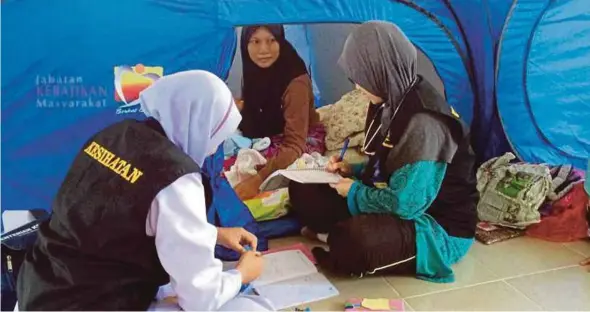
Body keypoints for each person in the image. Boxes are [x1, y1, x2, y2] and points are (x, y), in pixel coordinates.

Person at [15, 70, 274, 311]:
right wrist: (241, 274)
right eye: (216, 138)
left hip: (39, 287)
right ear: (199, 124)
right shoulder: (176, 177)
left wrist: (212, 234)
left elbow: (115, 223)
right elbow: (200, 297)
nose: (213, 151)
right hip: (91, 302)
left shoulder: (116, 135)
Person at [288, 21, 479, 283]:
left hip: (434, 225)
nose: (357, 87)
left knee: (354, 242)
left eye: (362, 77)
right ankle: (340, 232)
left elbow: (406, 205)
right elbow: (389, 165)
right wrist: (351, 170)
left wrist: (354, 191)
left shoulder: (425, 123)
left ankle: (340, 236)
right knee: (302, 189)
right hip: (394, 200)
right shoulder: (389, 100)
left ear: (381, 69)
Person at [233, 25, 325, 200]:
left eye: (271, 40)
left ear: (280, 40)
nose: (263, 50)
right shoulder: (255, 70)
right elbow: (259, 106)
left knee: (243, 171)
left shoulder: (294, 82)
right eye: (255, 41)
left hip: (300, 140)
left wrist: (258, 180)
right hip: (275, 133)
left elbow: (294, 144)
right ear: (245, 44)